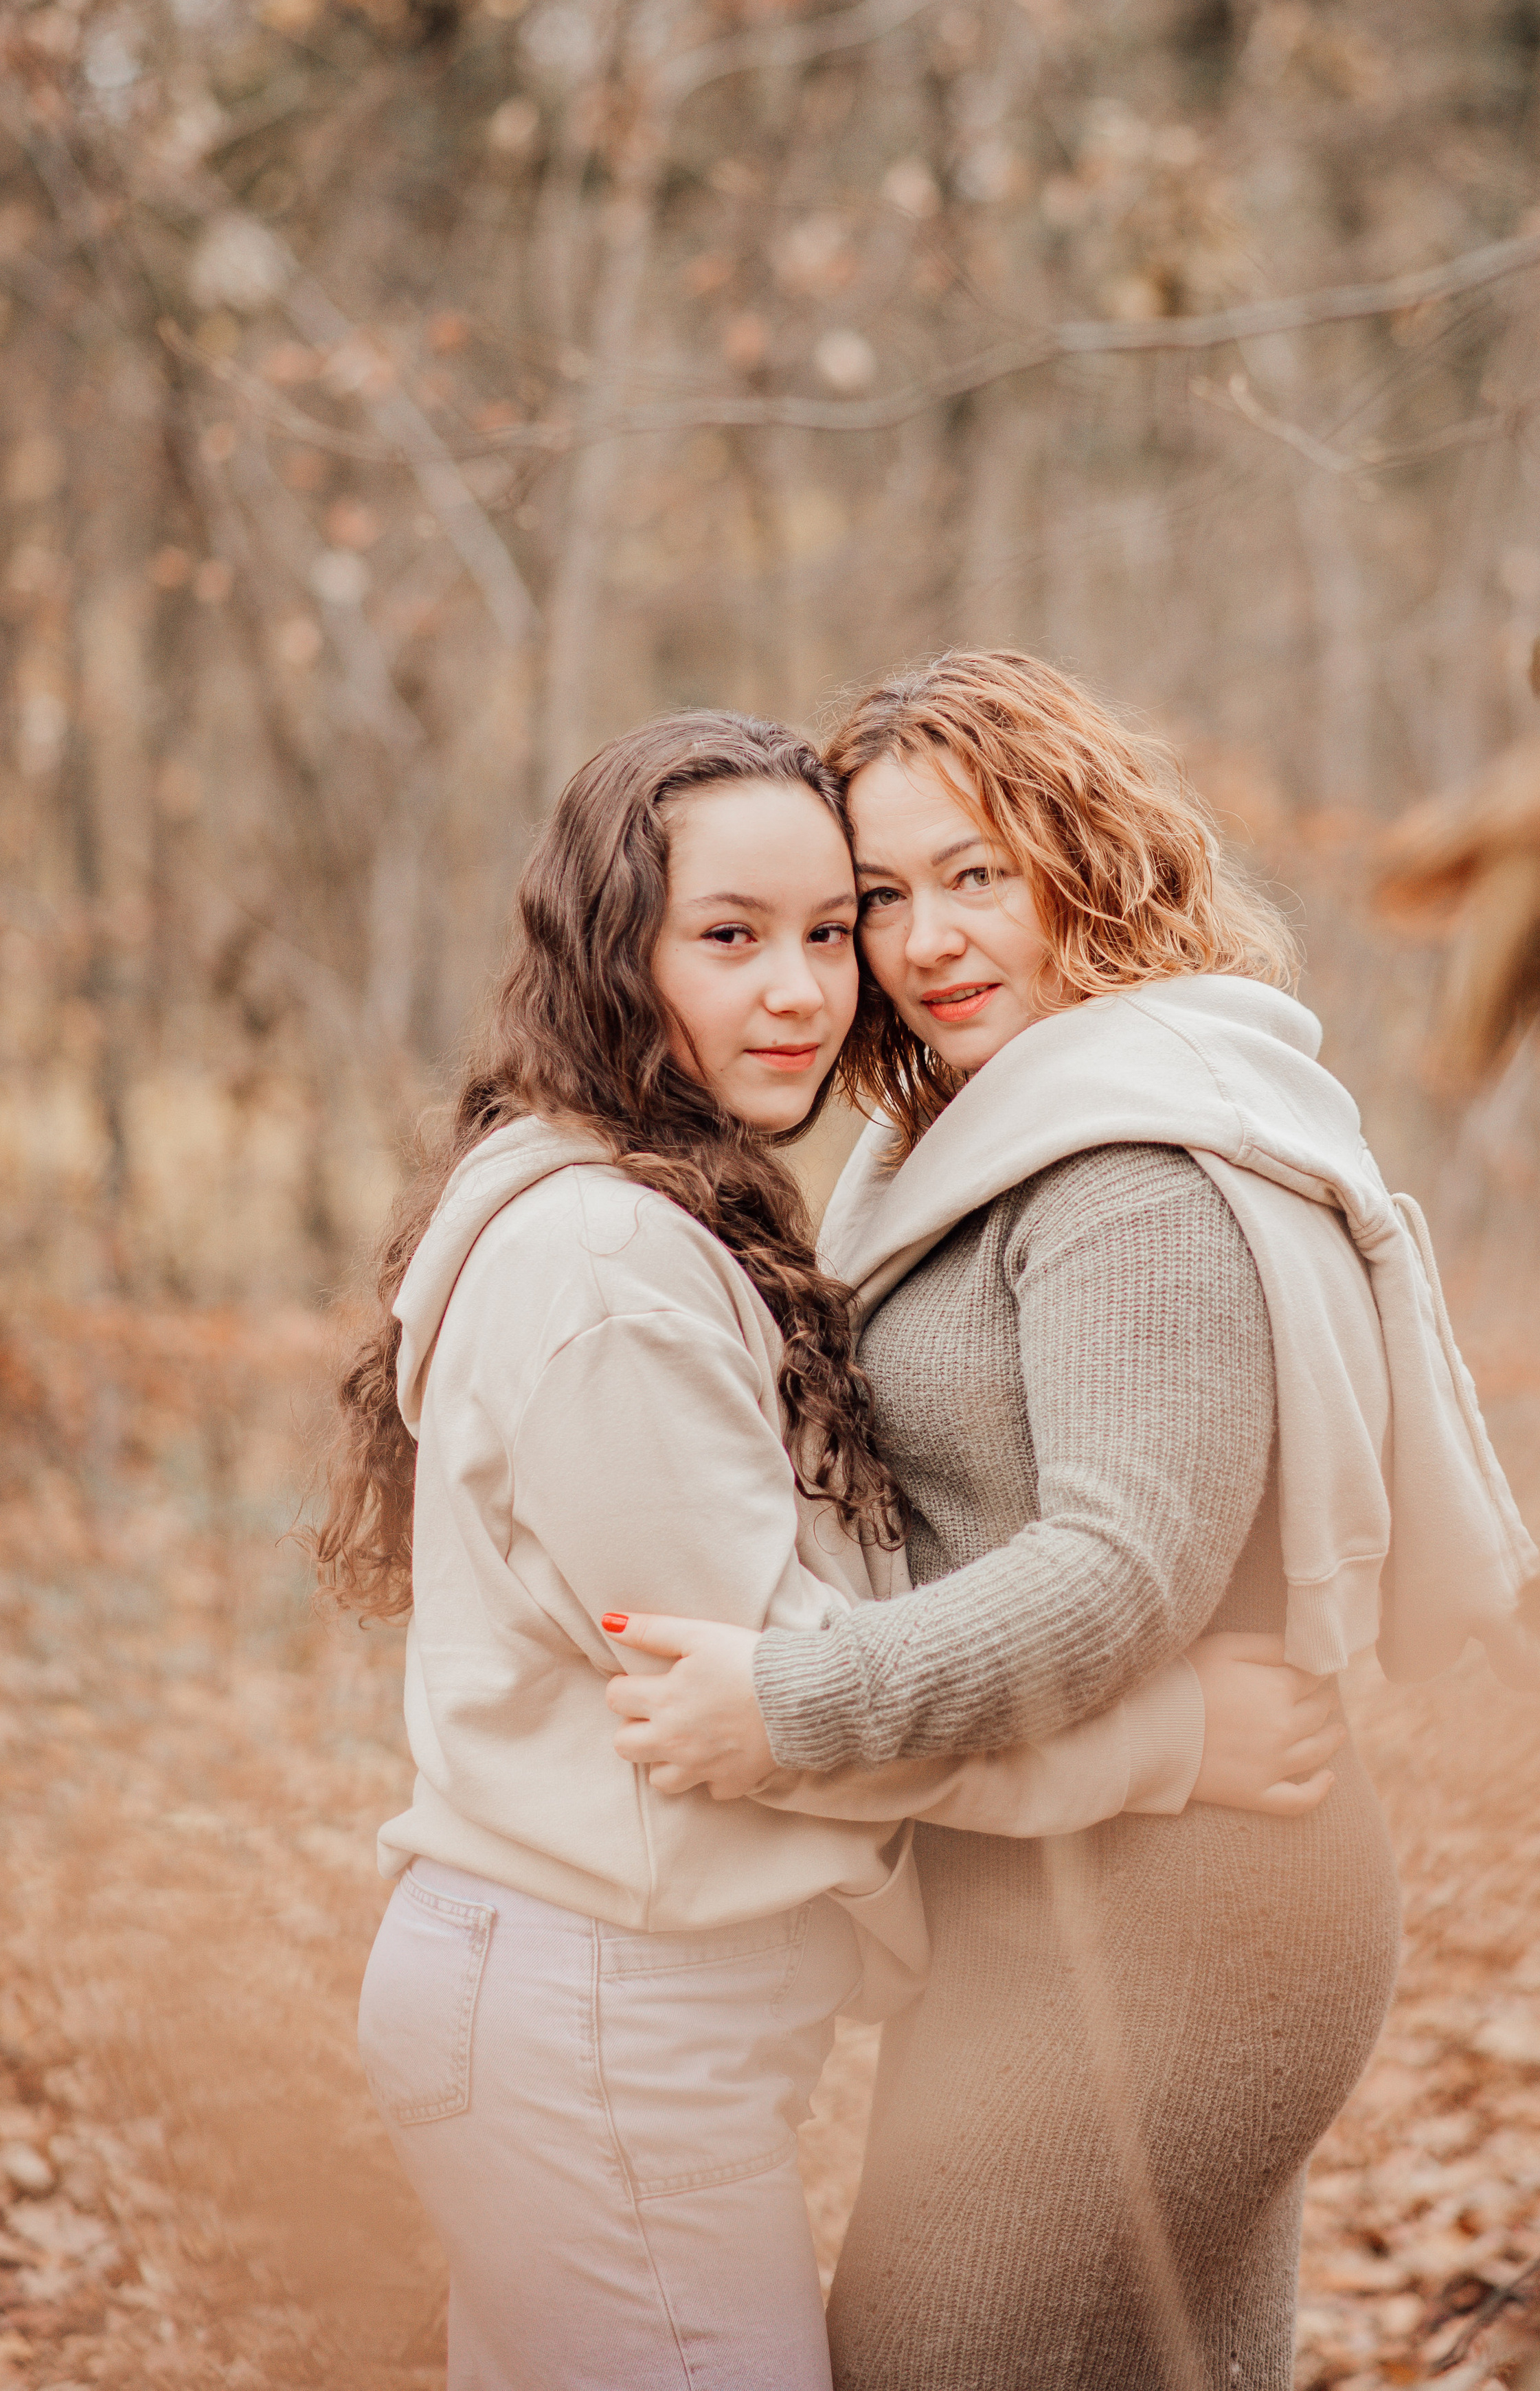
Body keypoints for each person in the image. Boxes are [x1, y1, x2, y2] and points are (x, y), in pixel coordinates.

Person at [309, 709, 1340, 2391]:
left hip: (601, 2012)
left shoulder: (653, 1208)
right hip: (593, 2026)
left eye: (821, 931)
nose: (804, 988)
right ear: (609, 954)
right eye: (729, 938)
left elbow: (790, 1687)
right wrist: (1170, 1739)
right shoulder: (600, 1269)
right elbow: (776, 1720)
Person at [605, 655, 1540, 2391]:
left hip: (1176, 1928)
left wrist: (790, 1705)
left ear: (1085, 856)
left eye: (977, 872)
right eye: (881, 897)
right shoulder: (986, 1137)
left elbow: (1123, 1567)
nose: (923, 942)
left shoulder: (1122, 1168)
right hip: (1069, 1895)